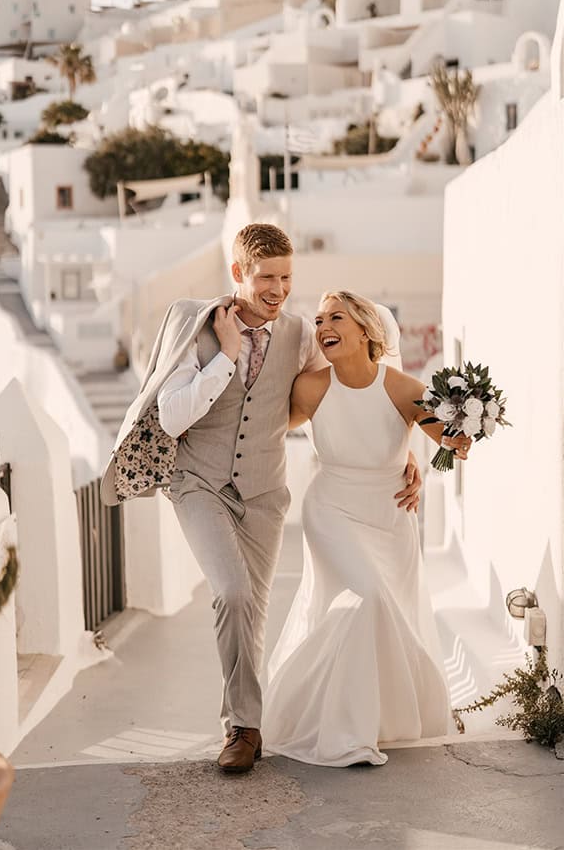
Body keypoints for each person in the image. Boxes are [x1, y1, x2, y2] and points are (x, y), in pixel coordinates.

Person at [101, 224, 422, 774]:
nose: (278, 288)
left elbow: (347, 397)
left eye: (286, 277)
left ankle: (244, 719)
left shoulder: (300, 334)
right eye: (266, 277)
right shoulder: (194, 323)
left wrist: (406, 453)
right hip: (198, 482)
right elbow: (175, 415)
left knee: (255, 606)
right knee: (231, 591)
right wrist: (225, 355)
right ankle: (242, 730)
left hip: (265, 492)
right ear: (238, 275)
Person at [262, 290, 471, 767]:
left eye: (336, 316)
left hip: (390, 515)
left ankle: (378, 721)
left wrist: (452, 441)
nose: (324, 326)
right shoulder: (310, 388)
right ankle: (349, 734)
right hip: (332, 510)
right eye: (319, 320)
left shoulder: (403, 387)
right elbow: (262, 429)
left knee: (384, 612)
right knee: (369, 598)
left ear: (365, 329)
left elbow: (448, 444)